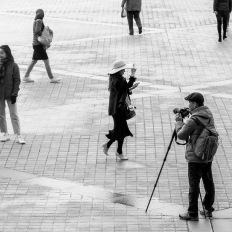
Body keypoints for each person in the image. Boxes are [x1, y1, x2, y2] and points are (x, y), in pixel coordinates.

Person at [175, 92, 217, 221]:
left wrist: (179, 121)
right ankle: (208, 208)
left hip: (195, 156)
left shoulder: (193, 120)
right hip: (207, 154)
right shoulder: (208, 113)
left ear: (194, 104)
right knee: (208, 181)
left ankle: (192, 213)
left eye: (190, 103)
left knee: (194, 184)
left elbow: (181, 136)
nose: (188, 105)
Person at [102, 60, 139, 160]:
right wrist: (133, 73)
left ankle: (115, 149)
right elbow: (127, 85)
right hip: (118, 109)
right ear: (120, 70)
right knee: (120, 131)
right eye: (123, 69)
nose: (124, 71)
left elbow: (123, 90)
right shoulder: (120, 80)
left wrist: (130, 88)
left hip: (115, 109)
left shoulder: (115, 79)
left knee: (120, 130)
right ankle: (115, 149)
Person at [23, 9, 61, 83]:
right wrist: (43, 32)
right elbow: (37, 31)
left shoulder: (36, 21)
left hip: (35, 44)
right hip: (38, 45)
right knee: (46, 61)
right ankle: (51, 78)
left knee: (34, 61)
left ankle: (26, 76)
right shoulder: (39, 21)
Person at [0, 45, 25, 144]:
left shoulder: (14, 66)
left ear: (7, 53)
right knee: (1, 115)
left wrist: (15, 93)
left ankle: (18, 135)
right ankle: (4, 133)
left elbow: (17, 80)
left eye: (2, 53)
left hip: (10, 93)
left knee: (14, 115)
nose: (0, 55)